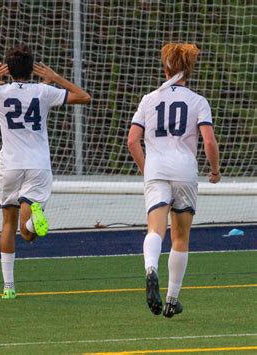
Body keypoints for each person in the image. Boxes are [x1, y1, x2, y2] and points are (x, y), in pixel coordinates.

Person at [0, 43, 90, 299]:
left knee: (8, 223)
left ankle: (8, 287)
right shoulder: (44, 91)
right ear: (32, 69)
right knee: (28, 234)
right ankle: (32, 219)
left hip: (12, 166)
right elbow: (84, 97)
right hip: (39, 165)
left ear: (7, 69)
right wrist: (55, 78)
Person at [127, 43, 221, 318]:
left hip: (156, 170)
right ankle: (171, 299)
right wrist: (215, 171)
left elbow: (132, 140)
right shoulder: (198, 101)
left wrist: (148, 169)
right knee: (180, 237)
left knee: (155, 230)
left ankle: (150, 269)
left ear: (165, 67)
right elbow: (208, 140)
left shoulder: (149, 99)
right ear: (189, 70)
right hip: (184, 172)